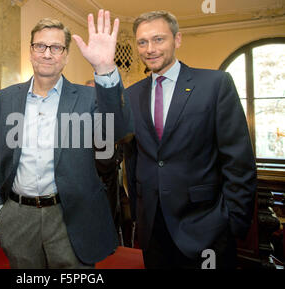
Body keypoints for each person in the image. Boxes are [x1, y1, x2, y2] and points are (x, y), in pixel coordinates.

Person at [74, 10, 257, 268]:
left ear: (177, 39)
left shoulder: (215, 84)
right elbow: (117, 140)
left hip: (207, 228)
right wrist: (104, 70)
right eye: (142, 42)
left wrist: (232, 223)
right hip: (153, 230)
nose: (150, 49)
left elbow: (238, 160)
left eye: (158, 39)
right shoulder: (133, 93)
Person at [0, 18, 118, 269]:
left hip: (69, 216)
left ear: (66, 55)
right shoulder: (6, 98)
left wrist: (105, 69)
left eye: (56, 48)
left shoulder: (88, 98)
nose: (47, 53)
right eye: (40, 46)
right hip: (18, 216)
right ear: (31, 51)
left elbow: (116, 130)